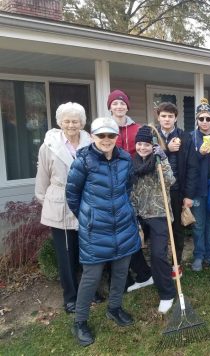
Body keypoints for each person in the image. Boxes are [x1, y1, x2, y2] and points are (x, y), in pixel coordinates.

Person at [66, 117, 141, 347]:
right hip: (95, 230)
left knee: (120, 272)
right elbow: (72, 195)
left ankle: (114, 308)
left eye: (111, 135)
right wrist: (89, 217)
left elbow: (128, 187)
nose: (106, 140)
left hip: (123, 226)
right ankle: (80, 322)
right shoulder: (83, 162)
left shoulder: (125, 159)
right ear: (92, 137)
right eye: (101, 135)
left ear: (117, 138)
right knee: (91, 277)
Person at [35, 102, 103, 313]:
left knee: (89, 251)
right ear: (60, 122)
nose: (71, 125)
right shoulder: (48, 146)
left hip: (87, 202)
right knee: (66, 254)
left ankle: (91, 290)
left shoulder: (91, 142)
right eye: (67, 121)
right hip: (60, 203)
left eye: (75, 121)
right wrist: (45, 201)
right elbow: (42, 178)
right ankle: (71, 297)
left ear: (82, 123)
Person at [107, 89, 153, 292]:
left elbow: (148, 151)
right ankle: (121, 278)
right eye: (115, 103)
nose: (119, 106)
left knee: (131, 231)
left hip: (134, 186)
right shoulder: (104, 128)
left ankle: (142, 273)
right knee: (113, 232)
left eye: (122, 103)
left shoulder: (137, 129)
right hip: (109, 187)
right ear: (110, 107)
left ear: (127, 106)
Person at [130, 126, 177, 314]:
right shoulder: (133, 163)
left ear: (153, 146)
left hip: (159, 214)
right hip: (139, 213)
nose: (142, 147)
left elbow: (170, 180)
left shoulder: (158, 161)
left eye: (146, 144)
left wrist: (163, 159)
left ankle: (167, 294)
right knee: (131, 247)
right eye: (139, 144)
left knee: (158, 254)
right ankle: (144, 276)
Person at [155, 102, 199, 278]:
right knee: (158, 229)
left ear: (175, 118)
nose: (167, 119)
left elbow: (192, 167)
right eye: (163, 116)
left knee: (177, 229)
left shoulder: (185, 137)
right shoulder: (152, 135)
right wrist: (167, 148)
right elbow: (145, 156)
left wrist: (188, 195)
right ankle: (159, 264)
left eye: (170, 116)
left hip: (176, 190)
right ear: (158, 117)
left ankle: (176, 263)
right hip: (155, 192)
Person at [190, 98, 210, 272]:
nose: (204, 122)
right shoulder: (190, 137)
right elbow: (189, 164)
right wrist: (200, 154)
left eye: (207, 118)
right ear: (197, 120)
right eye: (201, 118)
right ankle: (198, 255)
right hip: (197, 188)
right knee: (199, 225)